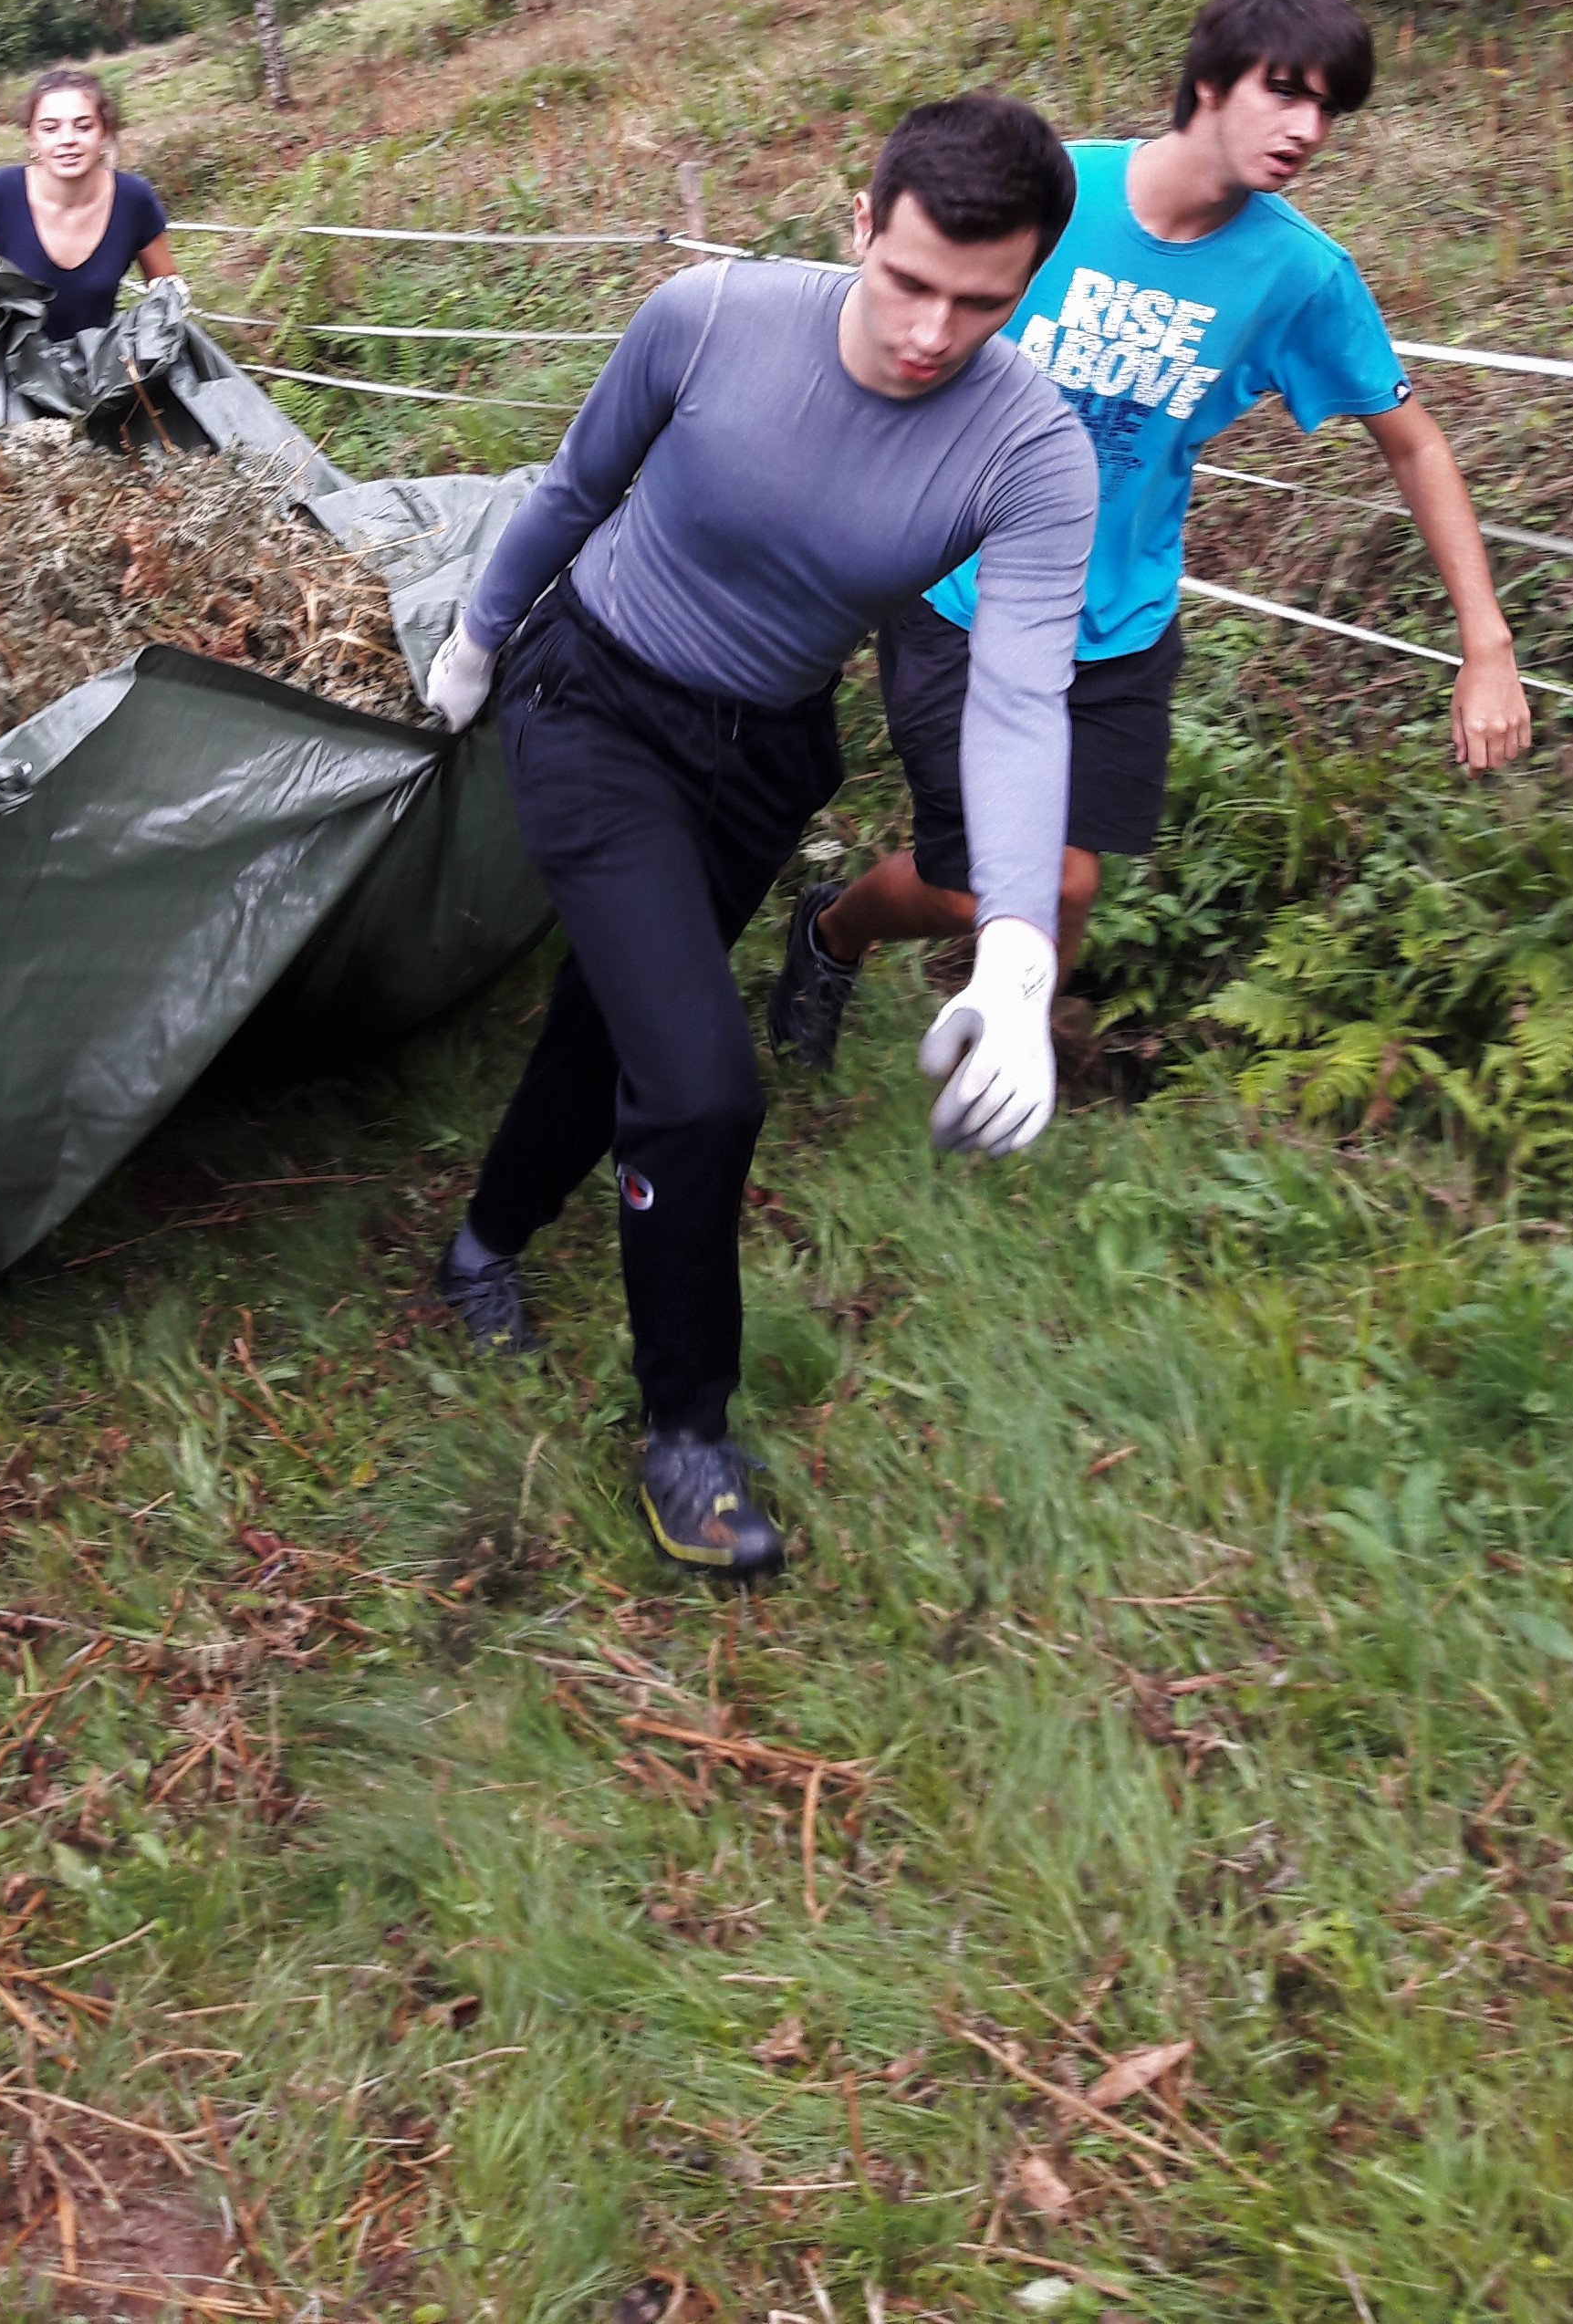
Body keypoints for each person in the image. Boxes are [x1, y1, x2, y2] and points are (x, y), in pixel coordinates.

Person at [423, 93, 1098, 1582]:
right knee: (703, 1082)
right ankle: (688, 1433)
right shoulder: (710, 317)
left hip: (760, 754)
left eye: (980, 303)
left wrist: (1016, 956)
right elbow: (575, 487)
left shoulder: (1032, 452)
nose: (930, 332)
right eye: (907, 279)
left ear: (1030, 280)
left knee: (623, 1021)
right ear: (859, 224)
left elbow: (1019, 701)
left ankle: (482, 1243)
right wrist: (476, 640)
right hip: (594, 700)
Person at [777, 0, 1529, 1074]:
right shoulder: (1052, 194)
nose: (1309, 129)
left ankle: (1010, 1064)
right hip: (963, 594)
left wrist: (1487, 646)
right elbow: (892, 326)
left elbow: (1413, 443)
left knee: (1068, 881)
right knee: (995, 882)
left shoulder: (1300, 275)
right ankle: (836, 930)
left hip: (1119, 617)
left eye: (1329, 108)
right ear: (1208, 82)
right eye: (1285, 92)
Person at [0, 67, 176, 342]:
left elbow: (167, 291)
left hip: (92, 365)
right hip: (3, 365)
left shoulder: (133, 200)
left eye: (84, 126)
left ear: (104, 135)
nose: (67, 140)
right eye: (50, 128)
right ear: (32, 139)